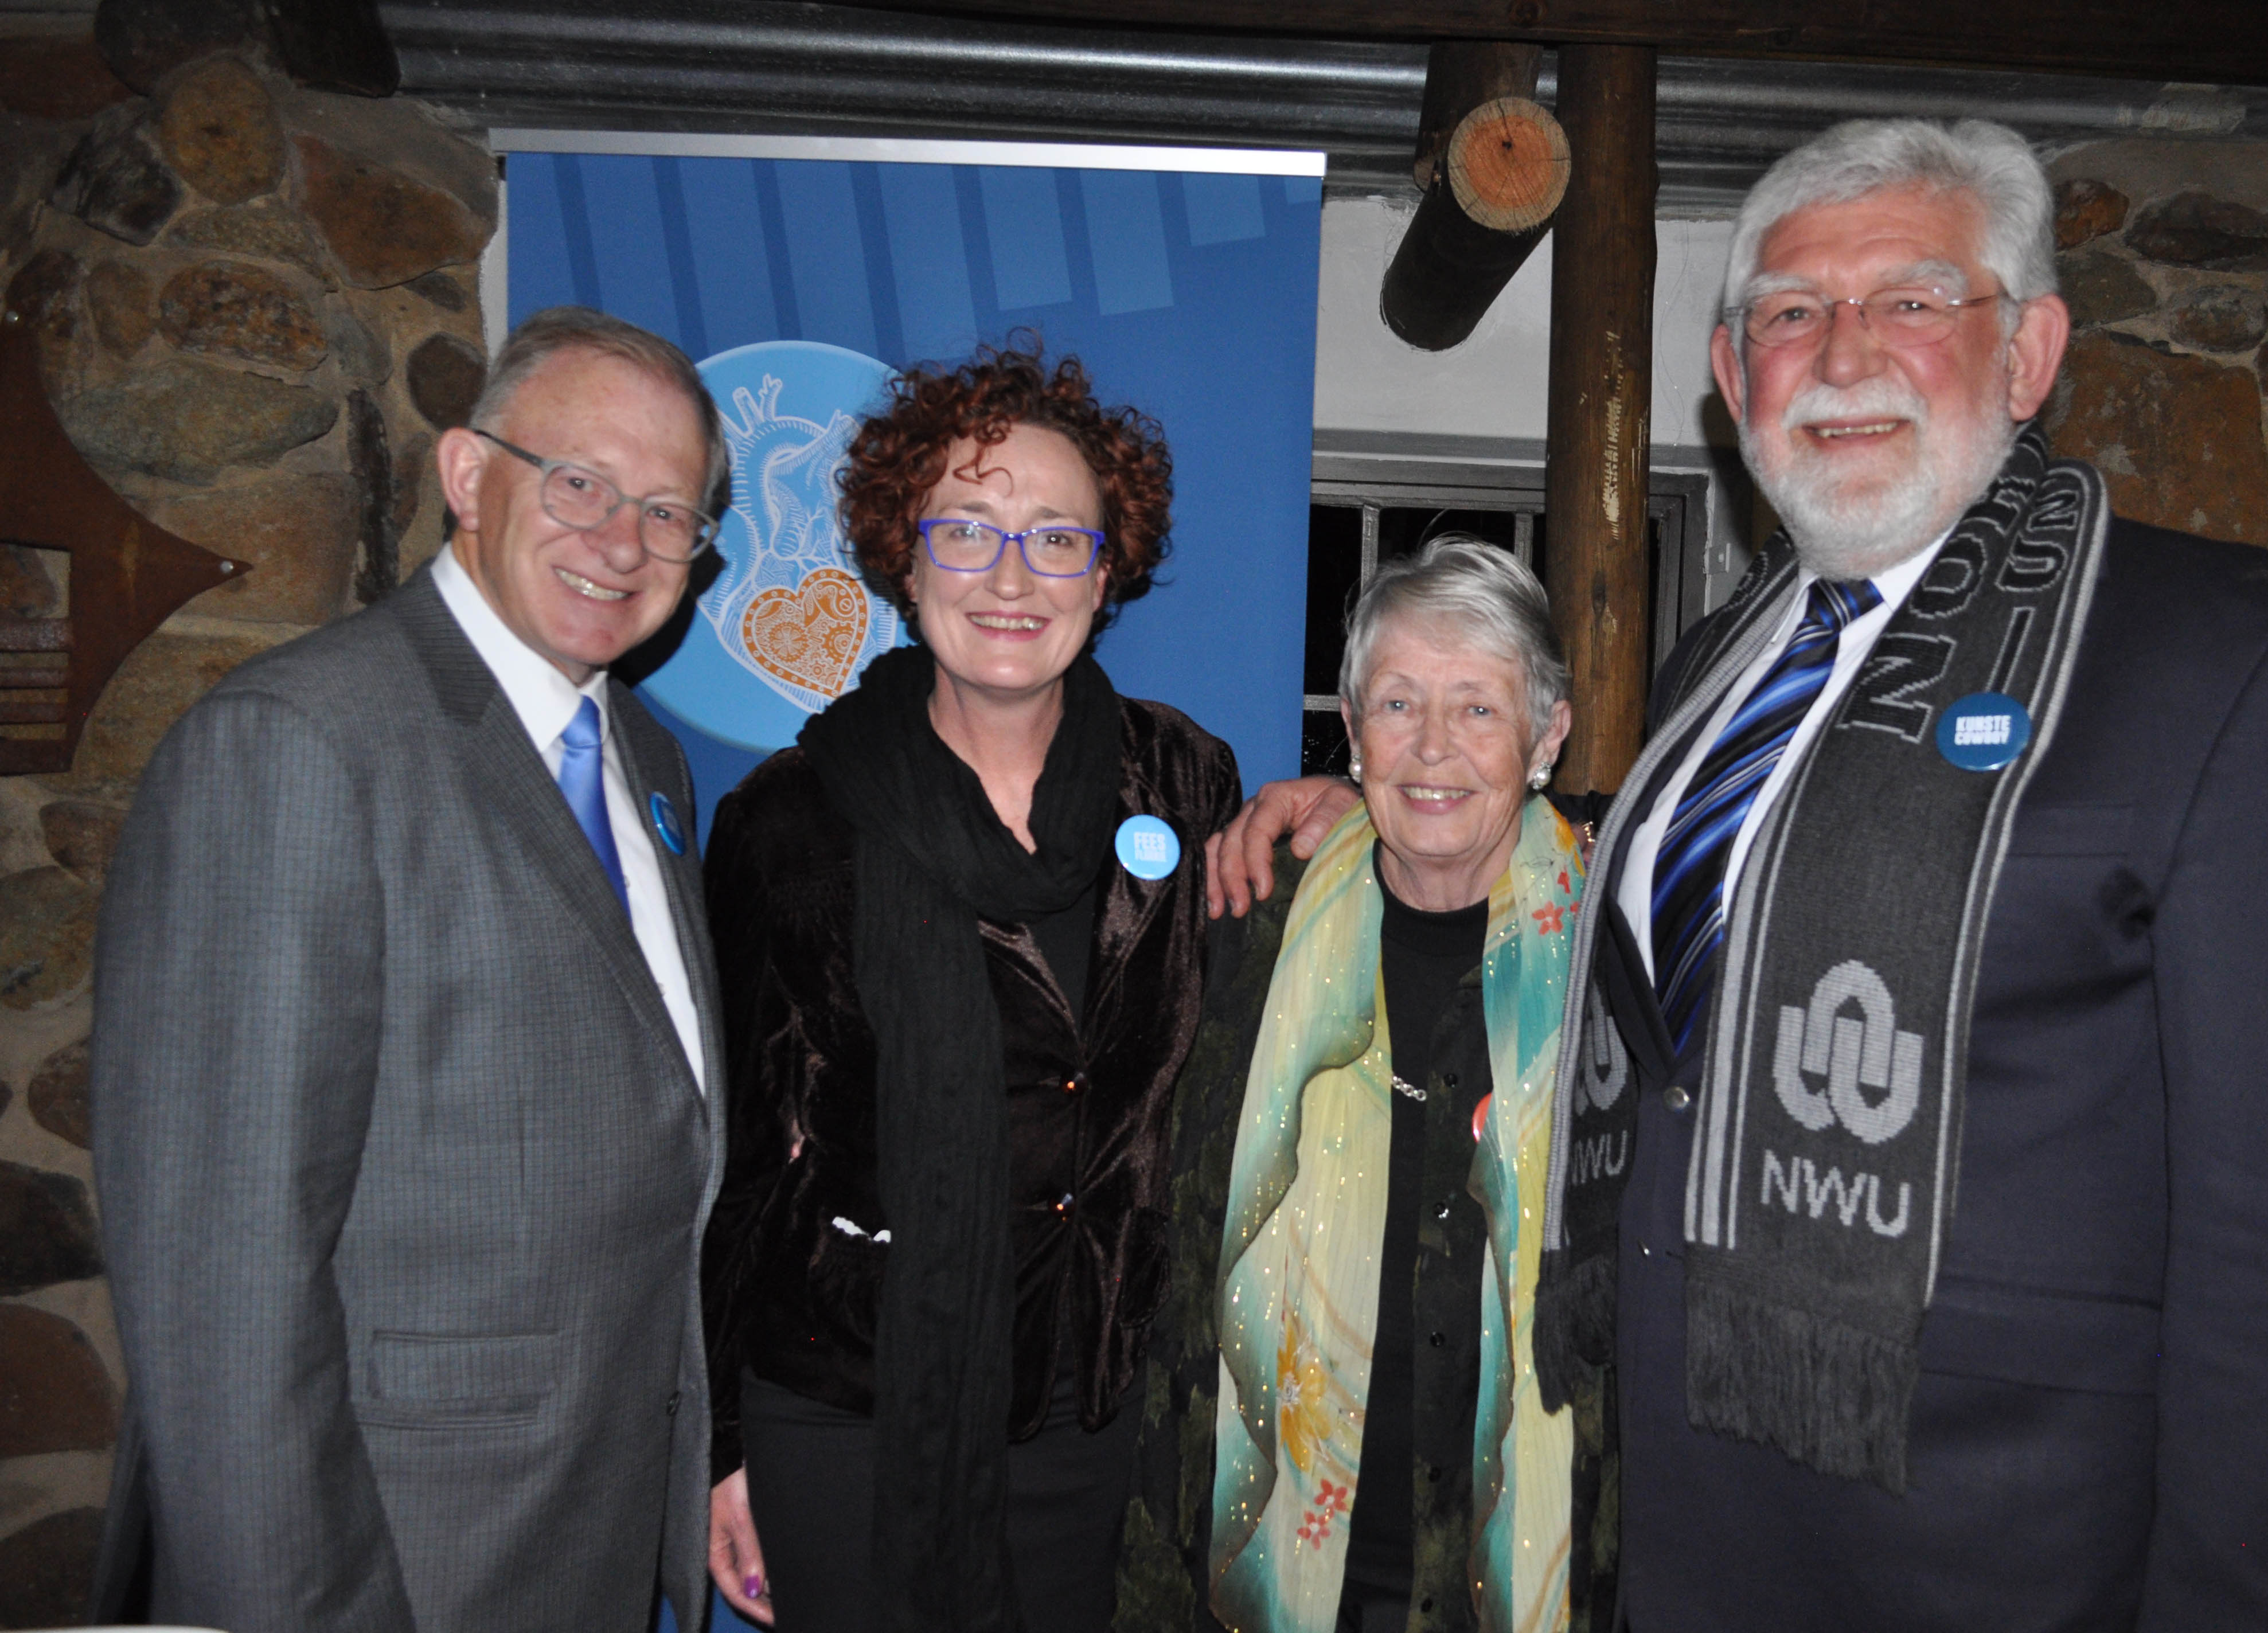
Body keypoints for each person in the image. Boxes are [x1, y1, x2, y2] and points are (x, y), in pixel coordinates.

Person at [1211, 118, 2268, 1630]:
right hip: (1674, 1535)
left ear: (2030, 352)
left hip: (2003, 1558)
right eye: (1790, 313)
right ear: (1733, 380)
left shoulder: (2233, 664)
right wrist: (1387, 792)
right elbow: (1695, 946)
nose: (1842, 354)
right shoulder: (1722, 666)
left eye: (1914, 301)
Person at [89, 306, 731, 1631]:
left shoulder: (644, 762)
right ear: (464, 473)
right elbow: (225, 1287)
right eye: (578, 481)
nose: (622, 539)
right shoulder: (296, 748)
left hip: (575, 1532)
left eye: (669, 511)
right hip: (396, 1553)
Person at [697, 346, 1242, 1633]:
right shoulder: (790, 817)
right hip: (848, 1410)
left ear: (1106, 572)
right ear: (904, 553)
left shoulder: (1181, 780)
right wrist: (724, 1439)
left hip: (1092, 1407)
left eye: (1057, 537)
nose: (1010, 576)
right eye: (968, 530)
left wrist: (1332, 806)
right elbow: (741, 1160)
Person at [1121, 537, 1610, 1633]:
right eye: (1397, 703)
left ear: (1550, 734)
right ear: (1352, 731)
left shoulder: (1623, 953)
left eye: (1481, 709)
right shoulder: (1242, 929)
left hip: (1527, 1560)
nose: (1434, 747)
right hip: (1273, 1554)